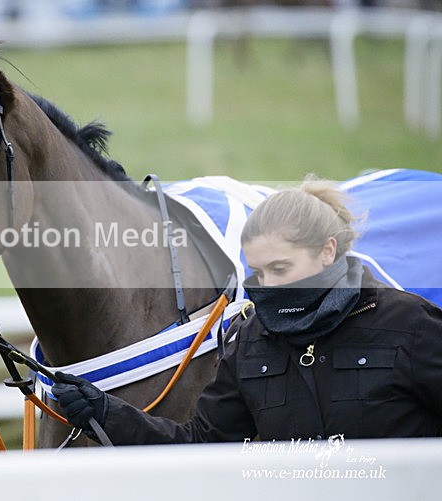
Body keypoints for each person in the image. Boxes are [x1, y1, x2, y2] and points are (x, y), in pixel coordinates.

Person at [52, 178, 442, 443]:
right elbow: (202, 444)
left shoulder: (411, 325)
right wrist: (105, 412)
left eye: (280, 269)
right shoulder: (249, 340)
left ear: (327, 251)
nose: (268, 286)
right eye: (259, 272)